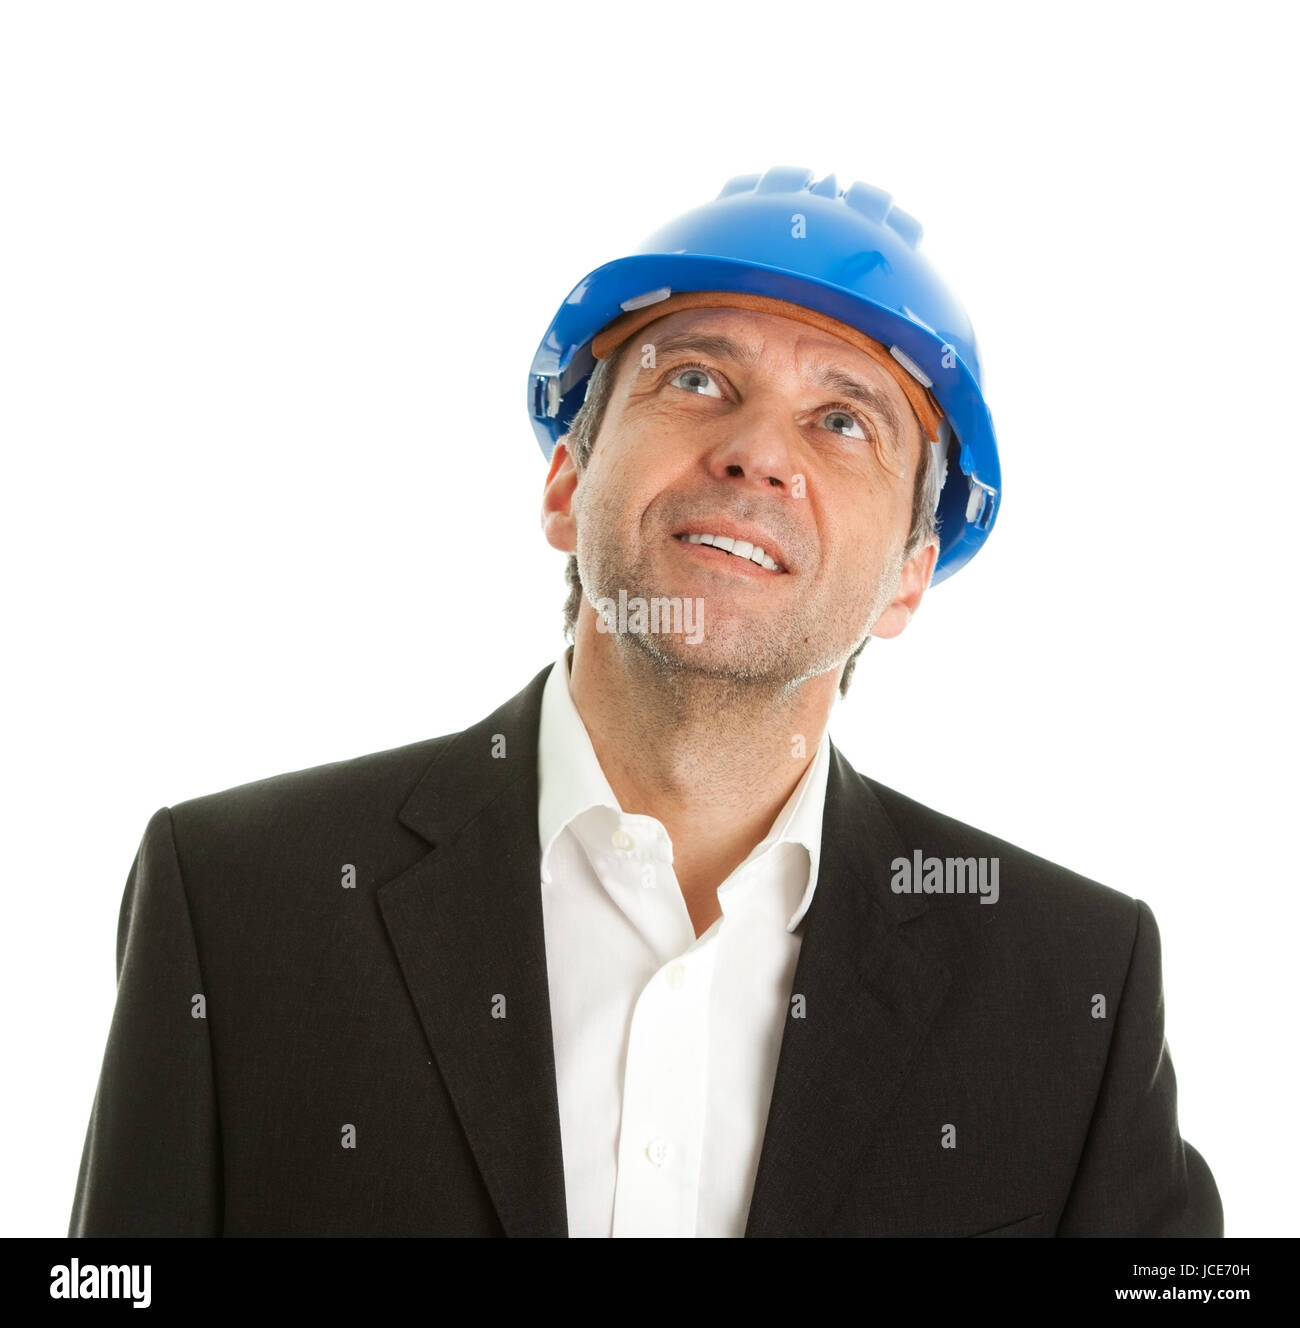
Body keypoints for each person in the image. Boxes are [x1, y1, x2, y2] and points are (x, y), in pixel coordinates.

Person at [69, 167, 1221, 1237]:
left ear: (909, 576)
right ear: (568, 483)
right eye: (697, 379)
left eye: (843, 421)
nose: (758, 452)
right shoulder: (236, 898)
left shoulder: (1071, 981)